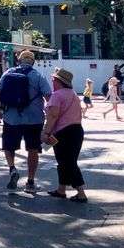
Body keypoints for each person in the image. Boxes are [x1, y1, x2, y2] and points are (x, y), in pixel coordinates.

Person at [0, 49, 52, 193]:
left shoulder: (8, 73)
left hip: (11, 117)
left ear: (19, 60)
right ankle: (30, 182)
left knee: (9, 146)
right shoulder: (38, 76)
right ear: (32, 62)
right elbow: (49, 97)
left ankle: (12, 168)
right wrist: (51, 117)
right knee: (33, 150)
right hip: (34, 119)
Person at [42, 67, 87, 203]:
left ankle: (81, 192)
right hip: (76, 130)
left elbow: (53, 115)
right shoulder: (72, 93)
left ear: (57, 81)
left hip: (62, 132)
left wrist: (46, 132)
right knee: (64, 161)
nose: (52, 82)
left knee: (67, 162)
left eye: (53, 79)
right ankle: (61, 189)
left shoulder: (57, 95)